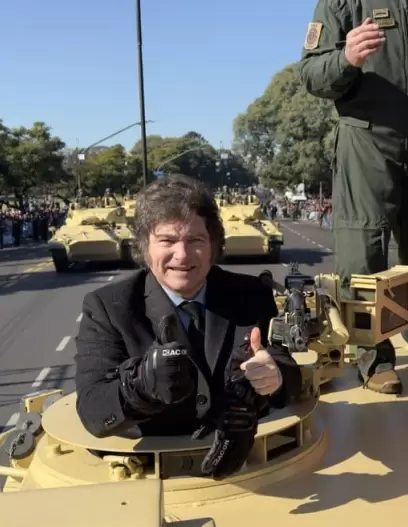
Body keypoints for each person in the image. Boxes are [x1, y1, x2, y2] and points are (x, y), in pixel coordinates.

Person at [298, 0, 408, 394]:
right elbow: (311, 74)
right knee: (365, 248)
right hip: (366, 135)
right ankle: (373, 357)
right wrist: (346, 58)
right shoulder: (341, 3)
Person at [74, 175, 302, 480]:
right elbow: (93, 410)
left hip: (249, 465)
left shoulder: (250, 294)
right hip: (147, 472)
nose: (181, 256)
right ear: (145, 247)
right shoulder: (108, 307)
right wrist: (140, 386)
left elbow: (287, 367)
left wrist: (274, 376)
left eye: (195, 240)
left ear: (213, 245)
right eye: (166, 240)